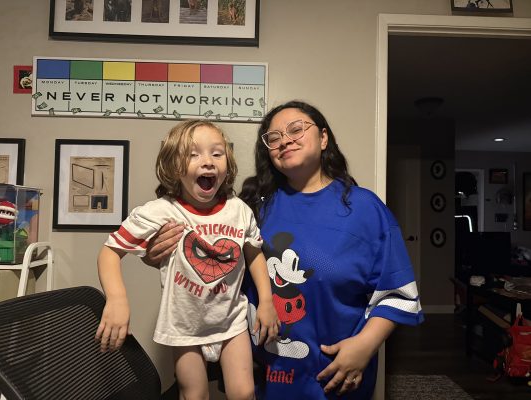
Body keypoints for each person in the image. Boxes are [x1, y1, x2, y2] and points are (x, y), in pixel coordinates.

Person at [145, 101, 424, 399]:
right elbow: (207, 264)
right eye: (274, 137)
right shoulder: (249, 208)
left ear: (324, 138)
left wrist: (365, 346)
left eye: (296, 129)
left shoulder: (365, 209)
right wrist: (157, 254)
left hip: (333, 377)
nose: (285, 140)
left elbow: (397, 294)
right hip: (263, 378)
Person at [95, 120, 280, 400]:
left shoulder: (239, 210)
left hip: (231, 321)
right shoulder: (160, 211)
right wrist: (117, 299)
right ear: (174, 166)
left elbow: (254, 253)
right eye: (193, 154)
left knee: (244, 393)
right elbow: (110, 252)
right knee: (194, 394)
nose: (207, 161)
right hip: (184, 326)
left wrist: (266, 301)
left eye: (217, 154)